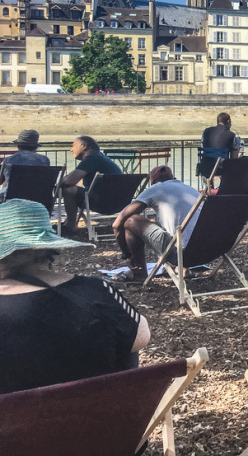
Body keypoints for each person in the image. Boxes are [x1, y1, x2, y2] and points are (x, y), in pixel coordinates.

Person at [0, 199, 150, 394]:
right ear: (49, 249)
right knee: (124, 339)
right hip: (99, 419)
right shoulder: (95, 292)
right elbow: (141, 337)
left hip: (14, 422)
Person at [111, 166, 201, 283]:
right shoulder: (191, 189)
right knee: (177, 228)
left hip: (182, 255)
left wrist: (127, 255)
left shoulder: (155, 189)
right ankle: (181, 269)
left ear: (153, 182)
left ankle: (139, 273)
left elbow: (117, 224)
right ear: (172, 177)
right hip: (208, 251)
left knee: (131, 221)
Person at [59, 136, 122, 234]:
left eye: (73, 146)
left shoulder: (91, 159)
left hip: (102, 202)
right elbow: (75, 178)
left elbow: (69, 181)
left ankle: (70, 225)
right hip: (121, 202)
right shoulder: (100, 158)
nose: (71, 150)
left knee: (68, 191)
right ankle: (68, 222)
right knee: (75, 190)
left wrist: (58, 183)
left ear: (83, 146)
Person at [199, 112, 239, 177]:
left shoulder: (206, 131)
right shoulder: (233, 136)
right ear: (228, 122)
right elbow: (234, 158)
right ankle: (226, 186)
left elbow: (203, 146)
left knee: (207, 174)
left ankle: (208, 186)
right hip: (222, 168)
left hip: (205, 167)